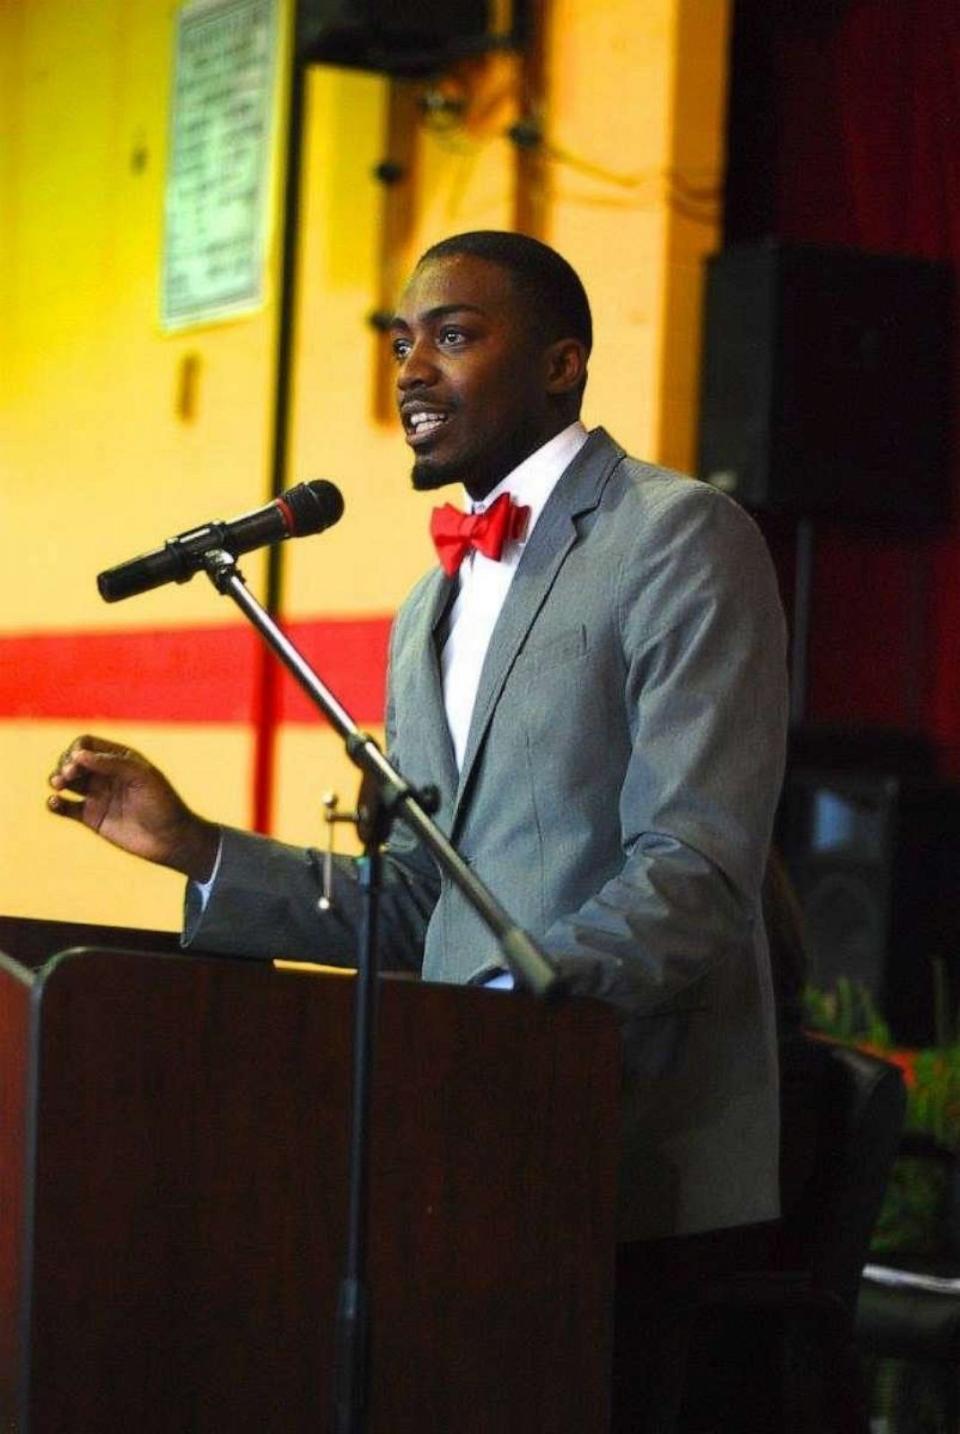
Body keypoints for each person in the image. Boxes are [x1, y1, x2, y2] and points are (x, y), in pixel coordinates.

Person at [49, 231, 788, 1420]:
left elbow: (695, 871)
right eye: (402, 342)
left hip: (627, 1159)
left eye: (452, 334)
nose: (411, 369)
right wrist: (195, 847)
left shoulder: (681, 538)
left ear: (561, 363)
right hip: (461, 1155)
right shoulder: (425, 609)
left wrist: (496, 1021)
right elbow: (420, 898)